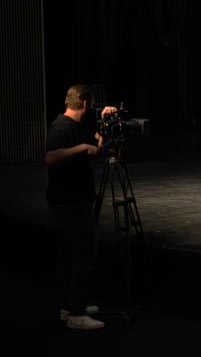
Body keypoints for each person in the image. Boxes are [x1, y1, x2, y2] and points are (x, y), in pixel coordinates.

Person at [45, 84, 117, 330]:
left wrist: (104, 125)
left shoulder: (76, 126)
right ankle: (75, 312)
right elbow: (51, 157)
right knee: (85, 253)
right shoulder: (61, 126)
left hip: (73, 199)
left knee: (70, 254)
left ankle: (70, 305)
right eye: (92, 105)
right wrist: (82, 149)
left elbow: (96, 146)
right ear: (85, 103)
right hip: (70, 201)